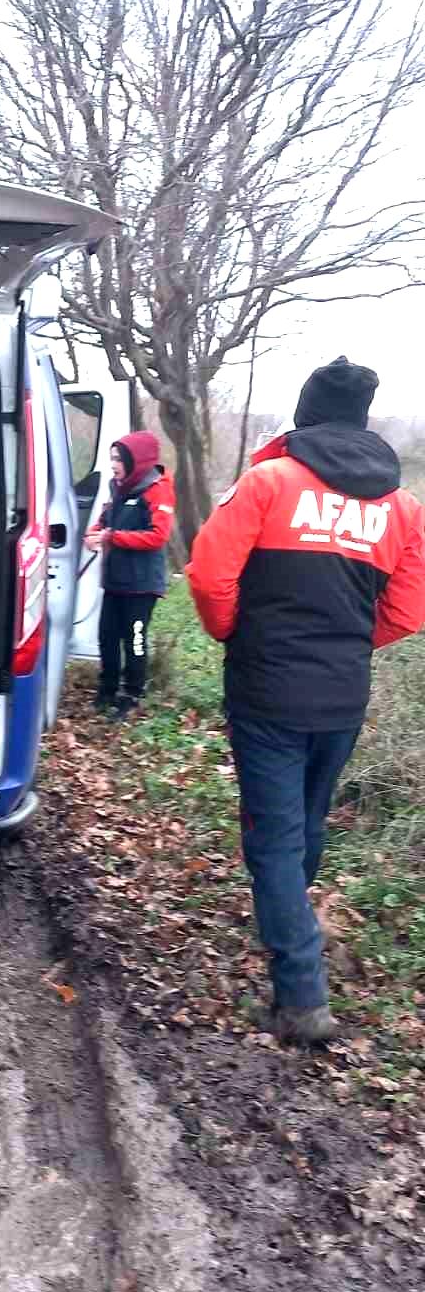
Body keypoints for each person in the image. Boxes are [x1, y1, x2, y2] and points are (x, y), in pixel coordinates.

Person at [185, 356, 425, 1044]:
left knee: (275, 844)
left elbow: (207, 577)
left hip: (268, 693)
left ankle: (301, 996)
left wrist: (235, 632)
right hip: (342, 698)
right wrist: (347, 647)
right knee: (306, 827)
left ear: (305, 411)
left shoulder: (268, 482)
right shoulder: (401, 508)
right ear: (362, 420)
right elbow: (408, 613)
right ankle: (289, 921)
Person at [84, 430, 176, 717]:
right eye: (112, 458)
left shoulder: (158, 489)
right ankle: (107, 690)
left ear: (136, 460)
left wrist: (113, 537)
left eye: (118, 459)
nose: (113, 465)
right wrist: (93, 535)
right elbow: (102, 523)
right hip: (114, 581)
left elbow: (157, 537)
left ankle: (132, 694)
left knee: (133, 639)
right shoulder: (117, 488)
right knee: (106, 637)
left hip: (142, 584)